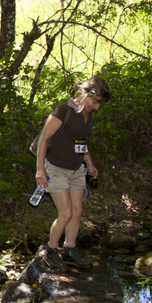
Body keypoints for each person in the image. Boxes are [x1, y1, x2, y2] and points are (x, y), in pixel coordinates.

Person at [35, 77, 112, 270]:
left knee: (77, 212)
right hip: (56, 168)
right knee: (66, 213)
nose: (97, 108)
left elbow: (80, 142)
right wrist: (40, 169)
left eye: (99, 104)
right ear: (86, 94)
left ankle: (69, 250)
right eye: (95, 103)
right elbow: (44, 140)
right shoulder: (63, 111)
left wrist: (90, 163)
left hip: (76, 169)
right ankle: (51, 251)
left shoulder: (87, 113)